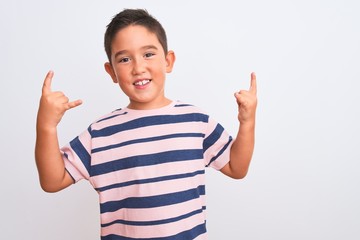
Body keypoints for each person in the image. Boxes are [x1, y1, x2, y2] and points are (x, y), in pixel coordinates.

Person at [35, 8, 257, 240]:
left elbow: (236, 167)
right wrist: (46, 126)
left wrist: (247, 122)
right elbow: (52, 181)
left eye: (148, 54)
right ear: (111, 71)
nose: (138, 67)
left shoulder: (195, 121)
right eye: (124, 59)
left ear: (168, 61)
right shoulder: (100, 133)